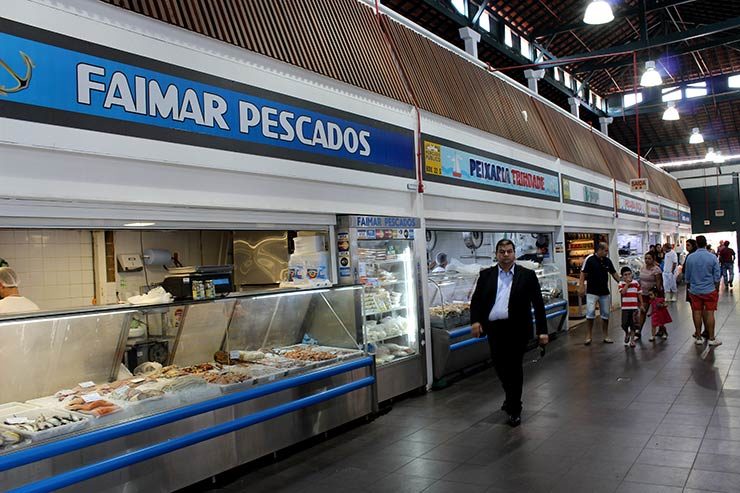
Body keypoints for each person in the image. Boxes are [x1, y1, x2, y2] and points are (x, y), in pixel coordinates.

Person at [470, 239, 548, 427]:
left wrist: (542, 332)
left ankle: (514, 408)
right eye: (502, 252)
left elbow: (538, 304)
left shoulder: (527, 275)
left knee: (514, 368)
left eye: (509, 251)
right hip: (495, 329)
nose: (506, 255)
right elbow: (477, 300)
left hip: (518, 329)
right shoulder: (486, 275)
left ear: (514, 253)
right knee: (499, 366)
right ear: (496, 254)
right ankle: (510, 396)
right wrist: (475, 321)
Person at [579, 242, 620, 345]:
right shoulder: (590, 259)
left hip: (604, 292)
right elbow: (583, 273)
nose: (607, 252)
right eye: (606, 250)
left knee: (605, 314)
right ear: (600, 250)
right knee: (590, 313)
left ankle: (606, 335)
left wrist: (622, 282)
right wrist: (581, 287)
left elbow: (614, 273)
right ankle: (588, 335)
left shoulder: (607, 261)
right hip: (592, 291)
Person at [684, 235, 722, 346]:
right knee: (710, 313)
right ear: (705, 243)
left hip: (695, 290)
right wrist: (716, 288)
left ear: (696, 244)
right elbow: (717, 275)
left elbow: (687, 276)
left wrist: (690, 285)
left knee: (697, 312)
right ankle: (711, 338)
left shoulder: (690, 257)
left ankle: (699, 337)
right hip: (709, 290)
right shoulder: (712, 257)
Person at [638, 252, 663, 339]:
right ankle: (639, 331)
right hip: (644, 293)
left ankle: (661, 329)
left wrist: (657, 296)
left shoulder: (656, 270)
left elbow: (658, 284)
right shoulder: (642, 268)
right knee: (643, 311)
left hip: (653, 295)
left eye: (649, 258)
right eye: (646, 258)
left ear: (653, 259)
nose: (647, 260)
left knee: (657, 313)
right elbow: (640, 280)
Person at [618, 267, 640, 348]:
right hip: (625, 308)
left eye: (629, 274)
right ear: (622, 276)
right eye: (625, 275)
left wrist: (640, 305)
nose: (627, 276)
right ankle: (627, 333)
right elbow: (623, 292)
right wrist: (627, 284)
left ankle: (632, 340)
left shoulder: (636, 283)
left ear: (632, 274)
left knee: (633, 324)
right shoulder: (621, 284)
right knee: (624, 324)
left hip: (634, 307)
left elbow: (639, 293)